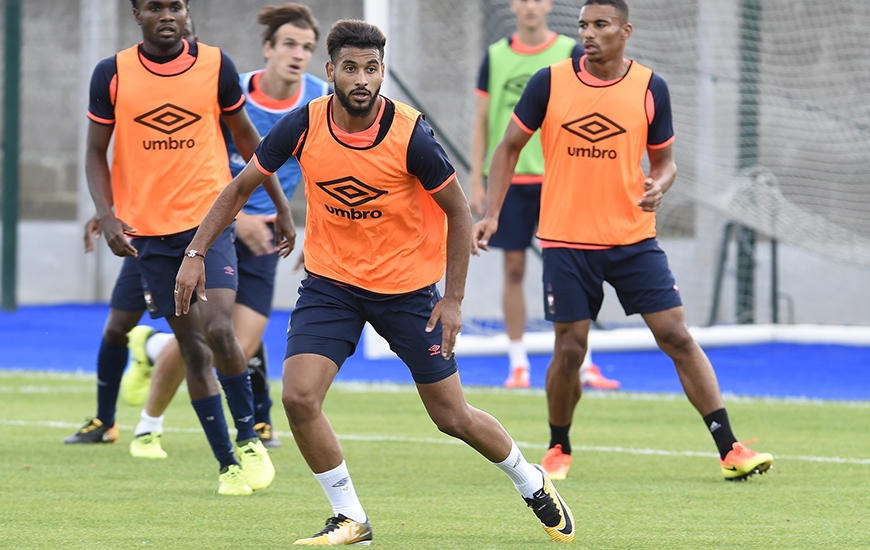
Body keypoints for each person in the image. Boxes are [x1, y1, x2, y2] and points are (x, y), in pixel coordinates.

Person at [174, 19, 575, 545]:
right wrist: (195, 251)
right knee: (298, 397)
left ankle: (530, 480)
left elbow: (457, 212)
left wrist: (452, 300)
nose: (361, 79)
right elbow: (238, 187)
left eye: (371, 68)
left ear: (382, 71)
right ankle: (350, 517)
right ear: (331, 71)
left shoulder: (411, 134)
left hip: (408, 292)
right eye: (350, 68)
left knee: (452, 416)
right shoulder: (304, 123)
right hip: (331, 285)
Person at [473, 0, 774, 482]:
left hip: (633, 239)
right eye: (583, 26)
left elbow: (665, 161)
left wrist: (661, 182)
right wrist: (491, 214)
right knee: (570, 348)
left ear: (625, 31)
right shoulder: (549, 82)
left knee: (675, 335)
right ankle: (557, 447)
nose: (588, 33)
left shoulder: (650, 87)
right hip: (567, 241)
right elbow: (508, 148)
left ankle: (730, 448)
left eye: (600, 25)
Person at [67, 0, 290, 497]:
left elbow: (248, 139)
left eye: (176, 6)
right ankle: (227, 464)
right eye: (155, 7)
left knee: (219, 331)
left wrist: (281, 203)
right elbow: (93, 152)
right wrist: (107, 214)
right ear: (137, 14)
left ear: (187, 13)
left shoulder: (215, 65)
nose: (166, 15)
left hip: (208, 224)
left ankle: (248, 435)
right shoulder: (113, 74)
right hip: (150, 236)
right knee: (192, 347)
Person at [120, 2, 331, 460]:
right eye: (290, 45)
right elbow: (192, 158)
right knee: (206, 333)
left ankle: (151, 348)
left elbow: (325, 171)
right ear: (268, 49)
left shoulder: (319, 101)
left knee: (234, 343)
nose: (298, 55)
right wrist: (242, 219)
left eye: (308, 48)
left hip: (269, 236)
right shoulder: (230, 90)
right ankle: (148, 426)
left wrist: (312, 229)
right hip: (209, 226)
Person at [471, 0, 620, 391]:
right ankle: (518, 363)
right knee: (514, 269)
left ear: (549, 4)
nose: (531, 6)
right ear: (513, 6)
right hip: (511, 180)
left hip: (561, 178)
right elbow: (483, 121)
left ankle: (585, 363)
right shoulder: (495, 56)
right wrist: (476, 180)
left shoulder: (571, 51)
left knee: (579, 268)